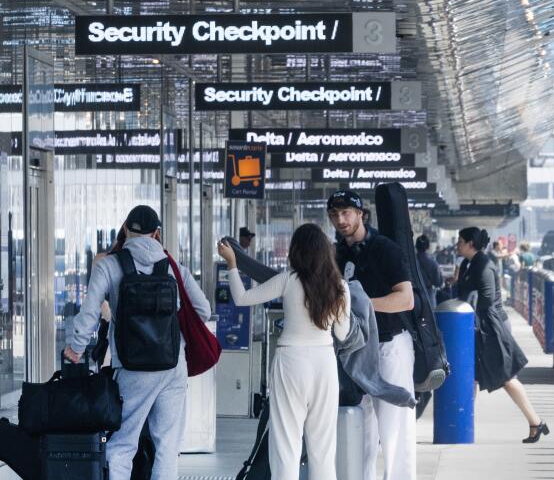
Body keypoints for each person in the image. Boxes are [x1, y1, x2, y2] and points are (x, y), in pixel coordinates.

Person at [63, 205, 211, 480]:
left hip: (132, 367)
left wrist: (77, 348)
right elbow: (203, 310)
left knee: (122, 445)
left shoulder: (109, 265)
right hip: (172, 365)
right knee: (167, 447)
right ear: (156, 234)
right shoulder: (173, 267)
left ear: (126, 229)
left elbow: (90, 311)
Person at [218, 224, 350, 480]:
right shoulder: (340, 287)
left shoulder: (288, 279)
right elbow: (343, 334)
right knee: (323, 450)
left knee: (286, 447)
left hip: (290, 361)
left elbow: (242, 298)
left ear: (296, 251)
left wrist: (232, 264)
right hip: (324, 363)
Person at [327, 190, 416, 480]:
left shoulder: (385, 249)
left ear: (361, 214)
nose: (341, 220)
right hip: (353, 350)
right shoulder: (336, 254)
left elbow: (406, 299)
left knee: (394, 429)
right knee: (359, 431)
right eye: (334, 215)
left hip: (389, 346)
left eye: (346, 213)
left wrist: (360, 304)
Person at [453, 227, 549, 443]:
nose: (457, 245)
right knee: (472, 375)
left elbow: (486, 301)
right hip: (480, 326)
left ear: (470, 244)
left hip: (492, 328)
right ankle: (463, 424)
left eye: (460, 241)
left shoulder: (483, 264)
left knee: (506, 378)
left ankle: (535, 422)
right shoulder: (469, 263)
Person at [416, 235, 443, 305]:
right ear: (428, 247)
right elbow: (438, 283)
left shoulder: (410, 262)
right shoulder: (433, 263)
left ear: (416, 246)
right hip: (428, 295)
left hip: (413, 295)